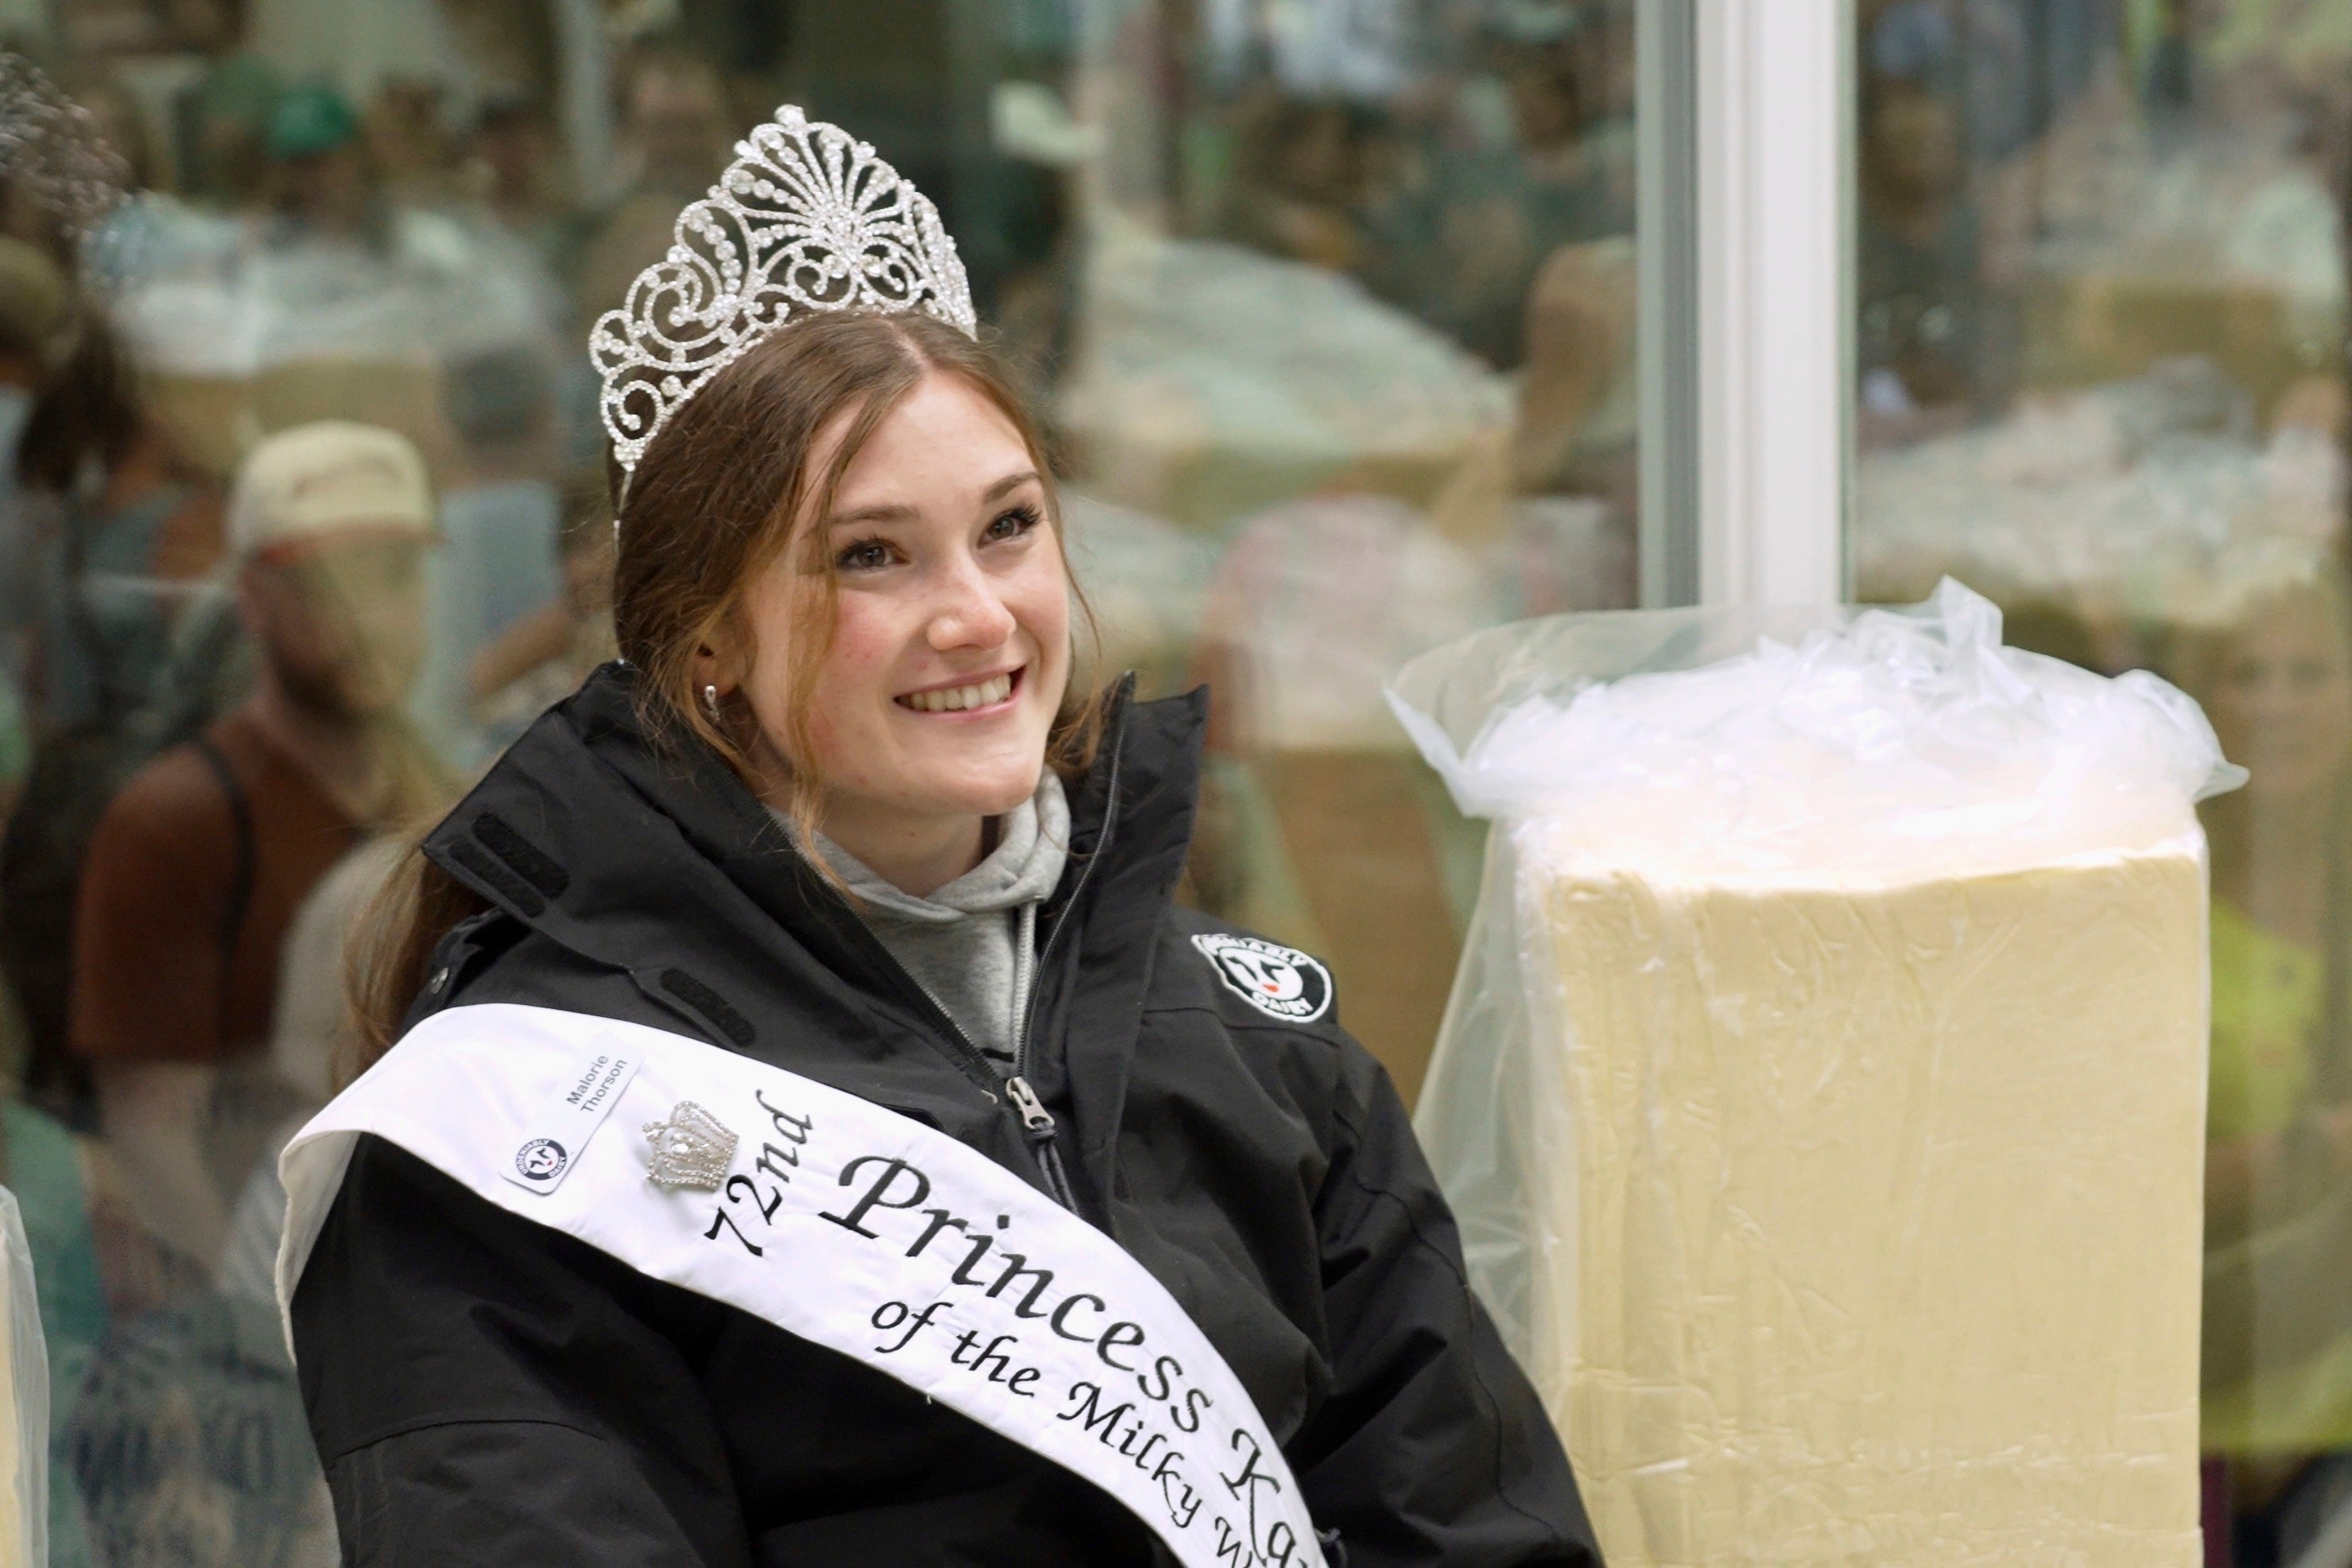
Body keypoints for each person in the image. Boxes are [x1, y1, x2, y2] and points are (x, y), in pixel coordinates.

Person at [282, 106, 1598, 1566]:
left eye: (1010, 526)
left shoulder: (1265, 1049)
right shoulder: (527, 1125)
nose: (976, 614)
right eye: (869, 555)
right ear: (706, 637)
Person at [69, 421, 441, 1272]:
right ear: (252, 602)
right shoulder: (174, 823)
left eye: (393, 575)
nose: (365, 614)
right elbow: (151, 1136)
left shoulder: (444, 790)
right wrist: (269, 1328)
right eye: (322, 583)